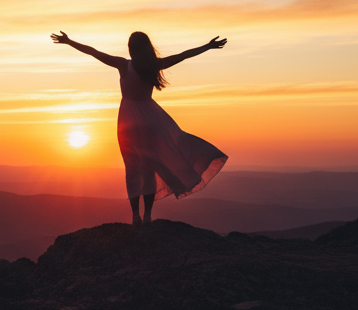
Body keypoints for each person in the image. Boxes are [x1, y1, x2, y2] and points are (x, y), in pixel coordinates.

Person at [51, 30, 228, 225]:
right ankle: (148, 215)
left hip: (127, 124)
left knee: (132, 168)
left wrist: (69, 42)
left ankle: (135, 215)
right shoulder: (154, 66)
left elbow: (94, 52)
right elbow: (183, 55)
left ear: (131, 48)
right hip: (152, 121)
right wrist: (208, 46)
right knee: (150, 167)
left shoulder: (123, 65)